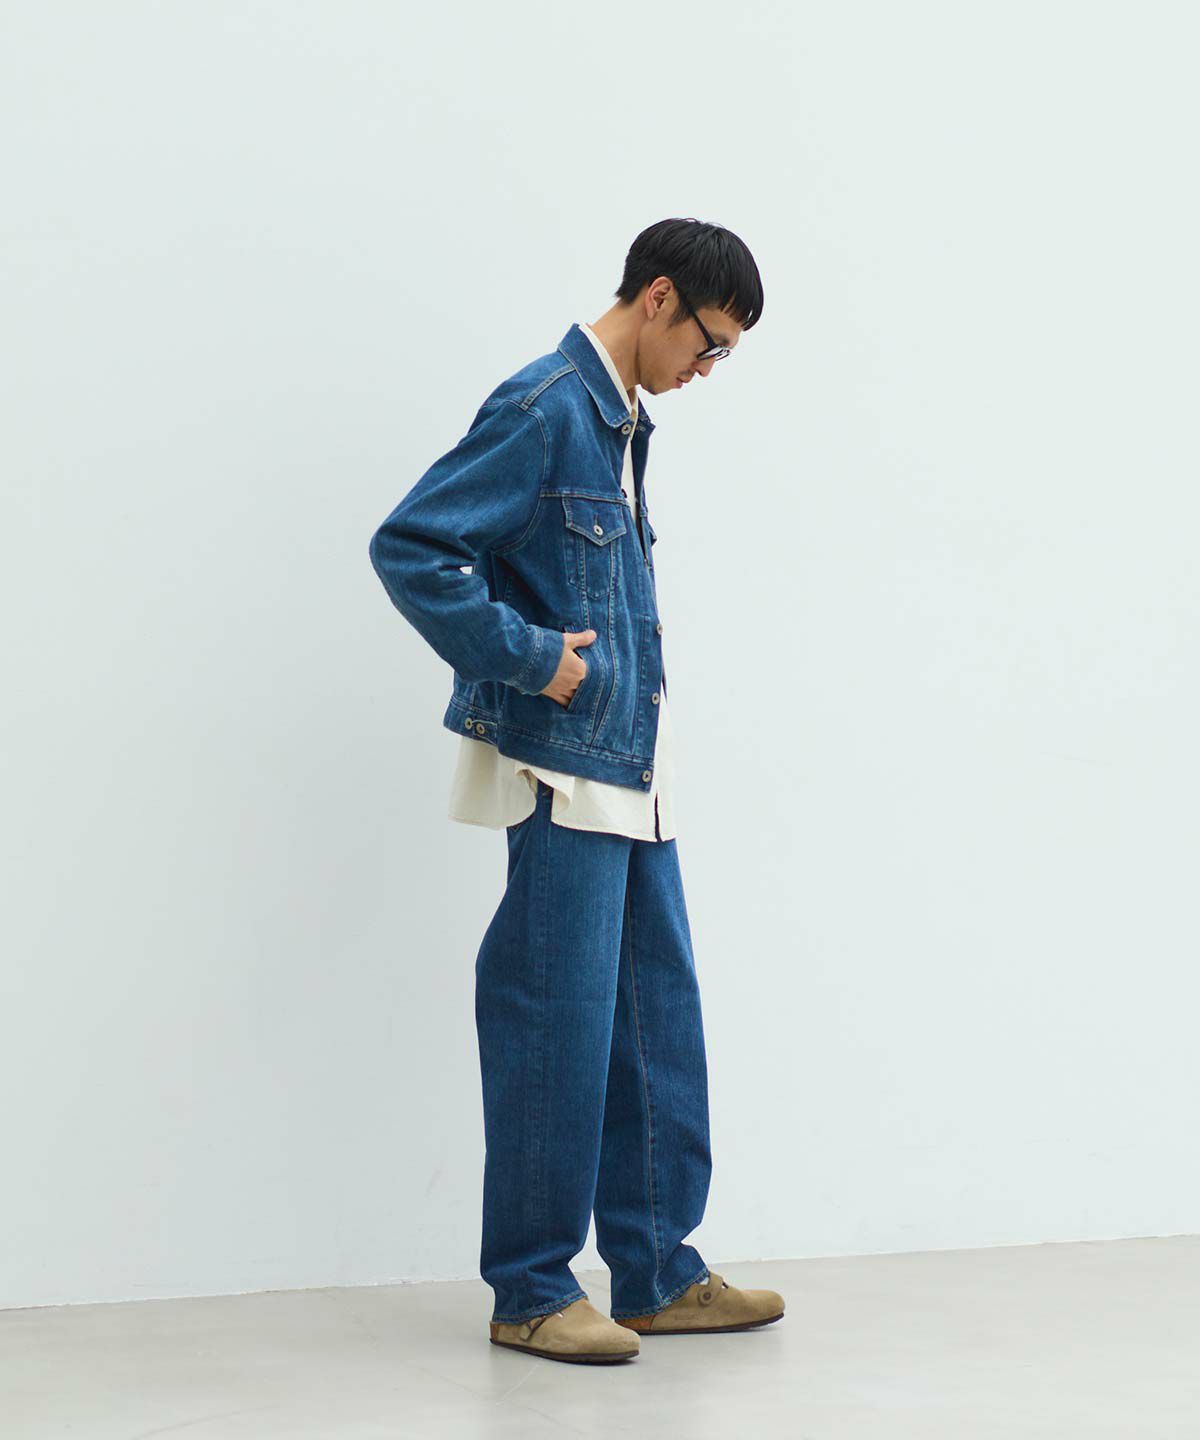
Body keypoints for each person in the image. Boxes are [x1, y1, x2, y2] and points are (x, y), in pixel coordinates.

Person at [369, 217, 784, 1364]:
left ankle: (655, 1272)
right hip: (562, 771)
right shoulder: (545, 407)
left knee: (656, 1024)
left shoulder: (620, 422)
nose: (708, 369)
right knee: (553, 1020)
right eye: (708, 343)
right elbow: (413, 548)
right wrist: (530, 657)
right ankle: (533, 1290)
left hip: (630, 769)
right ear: (658, 299)